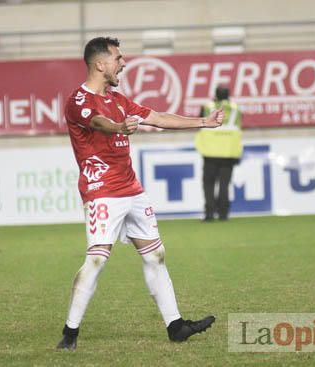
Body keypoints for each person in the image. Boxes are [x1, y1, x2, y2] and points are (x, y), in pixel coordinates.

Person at [56, 36, 223, 350]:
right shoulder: (78, 100)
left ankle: (176, 326)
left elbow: (157, 118)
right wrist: (119, 128)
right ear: (100, 63)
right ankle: (70, 333)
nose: (123, 63)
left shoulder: (119, 99)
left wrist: (204, 122)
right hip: (101, 191)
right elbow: (98, 122)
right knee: (96, 261)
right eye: (118, 58)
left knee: (156, 256)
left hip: (132, 190)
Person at [195, 86, 243, 221]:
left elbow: (200, 121)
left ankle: (209, 214)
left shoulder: (207, 106)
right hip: (229, 152)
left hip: (210, 151)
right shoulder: (236, 109)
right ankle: (223, 214)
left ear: (215, 94)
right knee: (224, 184)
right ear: (228, 95)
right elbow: (239, 127)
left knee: (208, 184)